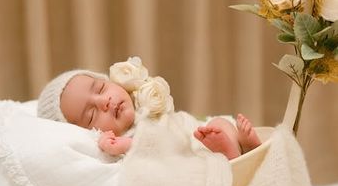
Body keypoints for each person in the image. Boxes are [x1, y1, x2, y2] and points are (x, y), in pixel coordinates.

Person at [37, 67, 261, 161]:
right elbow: (148, 158)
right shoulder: (121, 139)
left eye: (101, 88)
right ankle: (231, 158)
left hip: (197, 133)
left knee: (220, 122)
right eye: (91, 115)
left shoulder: (141, 100)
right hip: (186, 158)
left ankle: (245, 147)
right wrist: (123, 147)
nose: (104, 102)